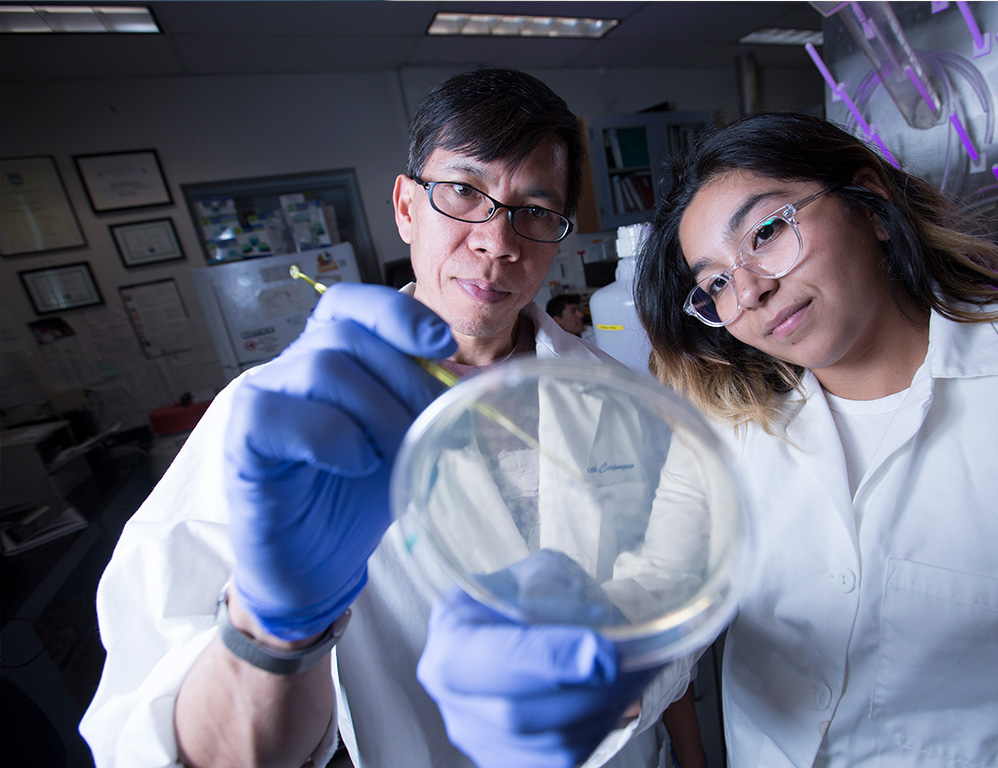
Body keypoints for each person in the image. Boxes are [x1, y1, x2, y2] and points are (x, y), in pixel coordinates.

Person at [80, 68, 704, 768]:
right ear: (406, 206)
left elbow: (678, 604)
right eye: (465, 192)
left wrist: (616, 692)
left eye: (535, 210)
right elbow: (149, 742)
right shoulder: (275, 415)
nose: (498, 242)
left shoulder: (627, 399)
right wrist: (276, 630)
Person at [628, 112, 998, 766]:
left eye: (766, 232)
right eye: (716, 284)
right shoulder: (726, 429)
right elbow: (657, 607)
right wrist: (590, 678)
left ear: (871, 205)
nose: (752, 290)